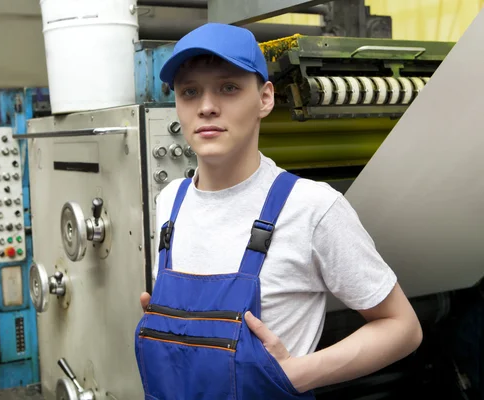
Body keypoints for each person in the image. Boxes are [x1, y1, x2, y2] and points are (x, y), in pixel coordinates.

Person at [134, 22, 423, 399]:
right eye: (190, 92)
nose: (206, 107)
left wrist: (297, 373)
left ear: (265, 98)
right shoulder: (170, 201)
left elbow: (402, 326)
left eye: (229, 88)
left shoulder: (311, 208)